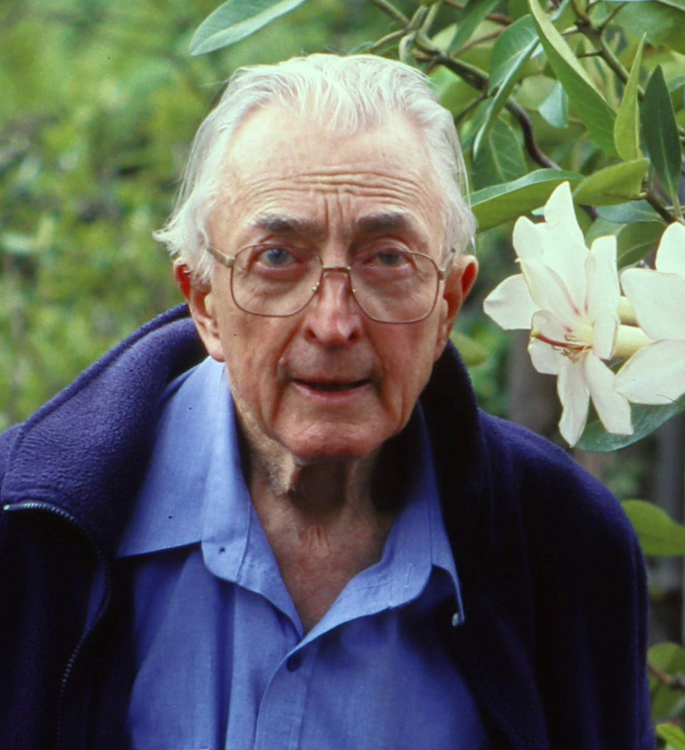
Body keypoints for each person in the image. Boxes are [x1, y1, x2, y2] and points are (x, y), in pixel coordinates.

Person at [0, 54, 652, 750]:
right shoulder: (27, 534)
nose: (333, 324)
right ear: (205, 302)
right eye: (278, 257)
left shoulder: (566, 545)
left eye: (387, 258)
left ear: (447, 305)